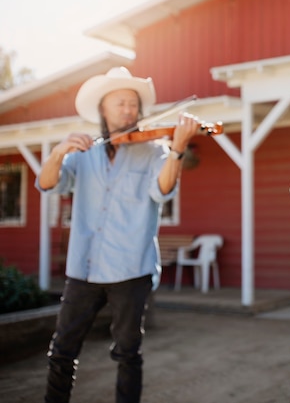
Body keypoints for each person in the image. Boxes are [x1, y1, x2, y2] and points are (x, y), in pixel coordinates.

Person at [37, 67, 199, 403]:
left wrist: (177, 150)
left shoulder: (154, 150)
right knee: (62, 351)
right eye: (120, 103)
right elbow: (49, 183)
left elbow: (162, 190)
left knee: (128, 354)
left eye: (132, 104)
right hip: (83, 268)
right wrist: (58, 152)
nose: (128, 110)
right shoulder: (83, 152)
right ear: (103, 110)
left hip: (130, 269)